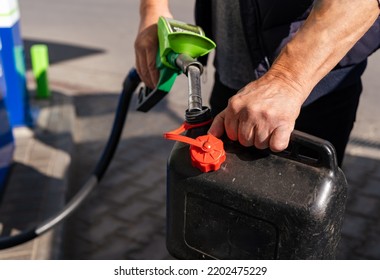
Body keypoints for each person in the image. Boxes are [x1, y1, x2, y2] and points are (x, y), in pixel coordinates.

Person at [135, 0, 380, 166]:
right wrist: (152, 10)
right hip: (230, 82)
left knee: (295, 225)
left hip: (310, 91)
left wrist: (287, 79)